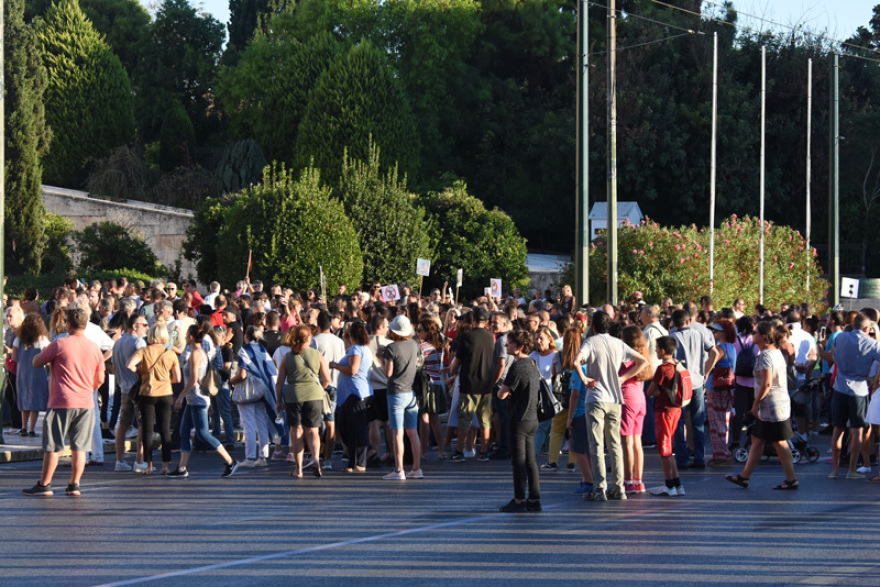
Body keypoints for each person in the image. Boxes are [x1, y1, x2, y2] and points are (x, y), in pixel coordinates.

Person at [23, 308, 105, 497]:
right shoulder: (94, 348)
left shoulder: (59, 343)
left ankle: (44, 484)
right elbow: (100, 379)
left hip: (61, 400)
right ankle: (74, 484)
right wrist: (88, 388)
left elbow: (37, 362)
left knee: (53, 445)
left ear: (68, 324)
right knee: (80, 447)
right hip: (85, 402)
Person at [575, 311, 650, 502]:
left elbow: (576, 361)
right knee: (615, 444)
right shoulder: (618, 343)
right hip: (615, 398)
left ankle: (600, 488)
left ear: (592, 325)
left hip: (596, 397)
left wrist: (585, 379)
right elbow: (643, 361)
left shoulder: (591, 342)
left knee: (597, 445)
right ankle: (619, 487)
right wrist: (623, 377)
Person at [725, 320, 798, 490]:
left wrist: (755, 404)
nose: (752, 335)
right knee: (757, 440)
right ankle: (744, 476)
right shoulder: (774, 352)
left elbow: (767, 383)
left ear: (764, 336)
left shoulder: (766, 356)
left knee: (780, 442)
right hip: (774, 404)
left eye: (755, 332)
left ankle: (791, 479)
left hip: (772, 406)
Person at [168, 325, 240, 478]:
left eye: (187, 335)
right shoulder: (199, 352)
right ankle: (182, 468)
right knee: (184, 432)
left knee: (203, 434)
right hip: (194, 398)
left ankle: (230, 461)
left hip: (197, 398)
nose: (185, 337)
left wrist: (180, 396)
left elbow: (194, 378)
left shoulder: (196, 354)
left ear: (191, 336)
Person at [828, 313, 880, 479]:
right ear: (867, 328)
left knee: (838, 429)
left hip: (840, 387)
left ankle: (835, 469)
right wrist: (874, 379)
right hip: (859, 389)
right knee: (857, 431)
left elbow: (834, 357)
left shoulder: (841, 338)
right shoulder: (873, 344)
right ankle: (852, 469)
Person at [276, 324, 330, 478]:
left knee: (296, 431)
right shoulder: (317, 354)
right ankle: (316, 460)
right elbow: (327, 379)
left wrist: (279, 401)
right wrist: (318, 388)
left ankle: (298, 469)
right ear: (307, 338)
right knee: (313, 431)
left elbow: (279, 382)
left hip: (293, 396)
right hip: (314, 395)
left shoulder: (287, 357)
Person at [497, 329, 542, 512]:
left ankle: (518, 499)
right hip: (532, 417)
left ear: (520, 346)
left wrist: (503, 390)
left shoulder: (517, 366)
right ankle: (534, 499)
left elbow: (502, 394)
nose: (506, 345)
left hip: (519, 418)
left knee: (518, 461)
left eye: (510, 342)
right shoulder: (532, 363)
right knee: (531, 461)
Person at [670, 308, 720, 470]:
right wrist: (706, 371)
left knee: (679, 422)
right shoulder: (699, 335)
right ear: (688, 321)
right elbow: (714, 353)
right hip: (697, 382)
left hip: (680, 382)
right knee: (698, 421)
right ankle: (700, 457)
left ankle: (682, 458)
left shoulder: (673, 337)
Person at [127, 323, 180, 475]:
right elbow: (178, 378)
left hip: (147, 393)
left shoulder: (144, 351)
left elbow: (129, 365)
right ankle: (165, 466)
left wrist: (140, 372)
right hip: (165, 393)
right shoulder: (170, 353)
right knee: (165, 430)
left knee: (147, 430)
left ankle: (149, 465)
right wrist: (166, 381)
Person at [449, 307, 495, 462]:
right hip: (486, 384)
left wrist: (452, 370)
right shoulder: (490, 338)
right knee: (485, 421)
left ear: (473, 319)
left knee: (464, 421)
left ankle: (459, 451)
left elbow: (458, 360)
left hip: (469, 384)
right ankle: (484, 452)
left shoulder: (467, 337)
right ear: (486, 321)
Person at [381, 315, 423, 480]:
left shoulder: (391, 348)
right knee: (413, 432)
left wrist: (380, 359)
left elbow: (388, 373)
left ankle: (399, 470)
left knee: (397, 433)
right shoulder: (414, 344)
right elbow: (419, 362)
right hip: (410, 392)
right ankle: (416, 468)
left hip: (396, 392)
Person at [231, 326, 279, 469]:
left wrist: (231, 381)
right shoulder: (262, 349)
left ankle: (250, 457)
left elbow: (242, 374)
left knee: (249, 424)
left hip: (248, 389)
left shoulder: (244, 349)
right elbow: (271, 369)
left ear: (246, 336)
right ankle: (263, 456)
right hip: (262, 388)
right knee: (261, 423)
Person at [331, 321, 373, 472]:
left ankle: (359, 462)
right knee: (349, 426)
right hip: (356, 393)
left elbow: (353, 370)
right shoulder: (364, 349)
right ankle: (355, 461)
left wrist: (335, 365)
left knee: (353, 427)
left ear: (352, 336)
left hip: (356, 393)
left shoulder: (356, 349)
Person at [646, 336, 685, 496]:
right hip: (676, 409)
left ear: (662, 351)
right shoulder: (677, 364)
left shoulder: (662, 369)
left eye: (656, 348)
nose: (655, 351)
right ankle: (676, 483)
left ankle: (669, 485)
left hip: (664, 410)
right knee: (668, 446)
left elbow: (650, 391)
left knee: (664, 449)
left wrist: (657, 392)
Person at [111, 315, 148, 473]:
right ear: (134, 326)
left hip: (124, 387)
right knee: (143, 424)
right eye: (144, 324)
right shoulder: (139, 342)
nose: (146, 327)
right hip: (138, 387)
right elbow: (143, 365)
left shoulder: (118, 342)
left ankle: (119, 460)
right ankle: (139, 460)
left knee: (123, 423)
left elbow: (114, 367)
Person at [619, 325, 653, 494]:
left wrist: (622, 377)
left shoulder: (627, 358)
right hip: (640, 398)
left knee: (627, 442)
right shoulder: (643, 355)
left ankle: (628, 480)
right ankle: (638, 481)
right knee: (637, 442)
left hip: (627, 399)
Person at [13, 314, 51, 436]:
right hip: (38, 373)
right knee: (35, 400)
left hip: (22, 373)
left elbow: (14, 357)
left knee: (24, 399)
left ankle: (23, 427)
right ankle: (32, 429)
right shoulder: (42, 339)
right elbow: (48, 357)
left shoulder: (18, 339)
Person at [706, 319, 737, 466]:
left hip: (715, 388)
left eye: (716, 331)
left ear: (723, 333)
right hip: (728, 387)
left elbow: (708, 366)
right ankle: (725, 452)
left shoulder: (718, 349)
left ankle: (720, 455)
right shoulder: (731, 347)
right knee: (724, 421)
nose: (714, 333)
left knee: (716, 422)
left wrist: (704, 372)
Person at [417, 317, 446, 460]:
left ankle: (423, 451)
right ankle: (441, 450)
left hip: (425, 384)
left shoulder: (423, 347)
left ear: (427, 332)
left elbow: (418, 365)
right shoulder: (438, 346)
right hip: (437, 382)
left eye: (419, 330)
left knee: (424, 418)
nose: (417, 333)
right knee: (435, 419)